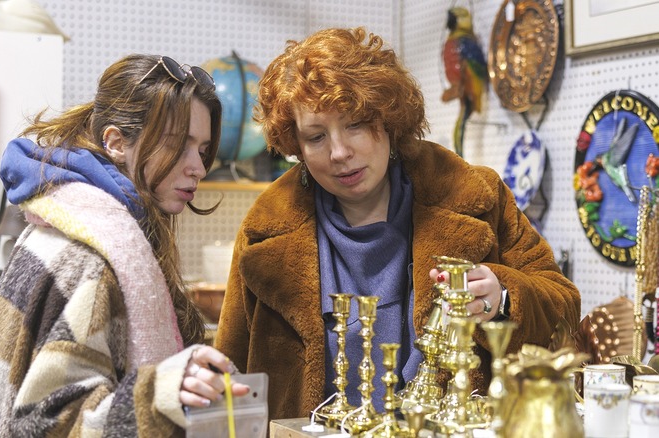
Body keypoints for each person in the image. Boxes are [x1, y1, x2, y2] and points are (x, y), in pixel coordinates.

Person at [215, 27, 580, 421]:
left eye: (355, 124)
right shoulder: (265, 228)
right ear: (296, 147)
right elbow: (229, 377)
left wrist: (503, 298)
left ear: (388, 119)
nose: (339, 152)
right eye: (316, 137)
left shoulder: (477, 195)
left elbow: (564, 309)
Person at [0, 54, 249, 437]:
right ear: (116, 142)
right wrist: (159, 397)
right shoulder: (94, 254)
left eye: (202, 151)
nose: (198, 168)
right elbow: (46, 422)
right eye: (177, 145)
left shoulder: (66, 213)